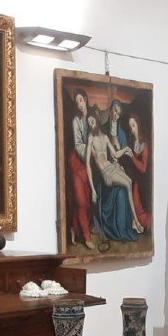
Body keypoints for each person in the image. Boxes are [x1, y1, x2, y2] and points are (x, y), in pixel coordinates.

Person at [87, 105, 143, 240]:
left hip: (112, 167)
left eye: (92, 121)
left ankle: (134, 222)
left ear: (96, 120)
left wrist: (125, 149)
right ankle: (135, 221)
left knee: (129, 181)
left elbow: (116, 154)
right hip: (106, 174)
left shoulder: (105, 137)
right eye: (89, 123)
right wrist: (93, 190)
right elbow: (87, 164)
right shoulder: (90, 138)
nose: (91, 125)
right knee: (127, 183)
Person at [65, 89, 96, 249]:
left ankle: (73, 228)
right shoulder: (75, 121)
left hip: (88, 164)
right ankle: (86, 237)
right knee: (81, 200)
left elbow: (97, 138)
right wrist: (91, 154)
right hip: (77, 161)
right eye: (77, 102)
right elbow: (78, 145)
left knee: (87, 201)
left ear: (85, 100)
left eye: (81, 100)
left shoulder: (91, 118)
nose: (80, 104)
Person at [121, 112, 151, 232]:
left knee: (139, 209)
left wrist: (132, 156)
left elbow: (143, 168)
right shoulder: (132, 142)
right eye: (130, 126)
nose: (132, 129)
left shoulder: (144, 144)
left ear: (138, 125)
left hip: (141, 181)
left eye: (133, 125)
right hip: (133, 178)